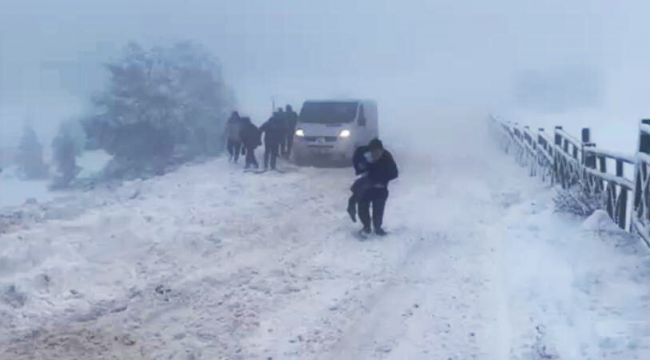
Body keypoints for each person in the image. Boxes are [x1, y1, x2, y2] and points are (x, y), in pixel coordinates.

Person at [357, 139, 398, 236]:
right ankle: (366, 227)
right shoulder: (365, 157)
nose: (375, 154)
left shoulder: (387, 158)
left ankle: (378, 228)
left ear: (382, 151)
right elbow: (359, 168)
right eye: (373, 152)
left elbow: (394, 173)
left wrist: (382, 181)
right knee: (362, 207)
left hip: (381, 188)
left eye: (377, 152)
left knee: (378, 209)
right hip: (367, 187)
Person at [347, 145, 373, 222]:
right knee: (363, 195)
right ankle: (367, 224)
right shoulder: (362, 154)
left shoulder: (364, 154)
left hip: (371, 178)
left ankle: (352, 206)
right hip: (369, 178)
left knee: (361, 192)